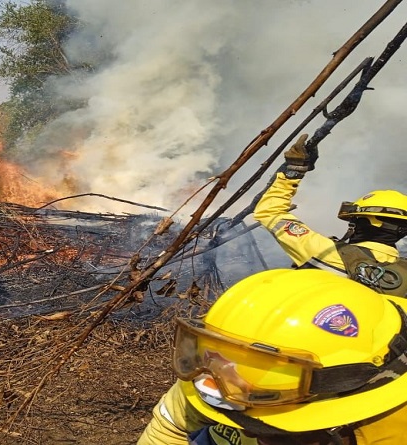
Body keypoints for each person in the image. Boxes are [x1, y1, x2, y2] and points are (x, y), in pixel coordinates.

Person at [137, 268, 407, 445]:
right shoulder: (220, 368)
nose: (251, 434)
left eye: (270, 431)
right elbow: (170, 426)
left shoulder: (392, 429)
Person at [254, 134, 407, 296]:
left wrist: (294, 170)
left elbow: (269, 211)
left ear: (366, 222)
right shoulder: (402, 272)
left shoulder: (330, 253)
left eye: (354, 220)